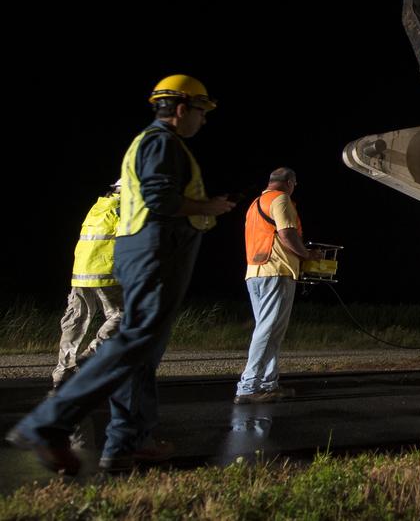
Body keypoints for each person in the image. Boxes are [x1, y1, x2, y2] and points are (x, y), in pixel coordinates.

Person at [6, 76, 235, 475]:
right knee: (132, 342)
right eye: (201, 110)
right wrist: (209, 206)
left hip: (152, 252)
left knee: (142, 352)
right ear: (181, 109)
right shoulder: (161, 143)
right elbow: (159, 199)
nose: (203, 119)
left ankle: (129, 440)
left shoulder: (155, 144)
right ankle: (49, 424)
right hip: (153, 251)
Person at [235, 167, 321, 404]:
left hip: (255, 271)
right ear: (290, 182)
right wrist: (306, 254)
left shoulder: (256, 203)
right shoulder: (281, 200)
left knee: (271, 331)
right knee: (267, 330)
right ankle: (248, 386)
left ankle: (268, 384)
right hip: (276, 271)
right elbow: (286, 235)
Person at [51, 183, 125, 389]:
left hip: (81, 273)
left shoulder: (98, 207)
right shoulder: (125, 208)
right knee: (124, 316)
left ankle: (63, 371)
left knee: (75, 321)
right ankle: (90, 357)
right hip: (105, 271)